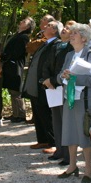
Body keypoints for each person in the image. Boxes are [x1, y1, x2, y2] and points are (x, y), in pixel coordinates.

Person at [56, 22, 91, 183]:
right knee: (69, 130)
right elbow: (60, 75)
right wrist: (63, 76)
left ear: (83, 38)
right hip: (70, 97)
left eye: (74, 33)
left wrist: (73, 77)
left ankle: (88, 168)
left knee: (84, 132)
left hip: (84, 98)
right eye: (71, 33)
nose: (71, 35)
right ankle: (72, 166)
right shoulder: (69, 55)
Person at [23, 18, 60, 150]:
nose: (45, 27)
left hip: (46, 84)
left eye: (49, 26)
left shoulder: (56, 44)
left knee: (46, 113)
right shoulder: (45, 43)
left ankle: (53, 142)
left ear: (55, 31)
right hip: (37, 84)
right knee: (38, 112)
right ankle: (42, 139)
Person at [41, 21, 71, 164]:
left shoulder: (73, 48)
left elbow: (65, 68)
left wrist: (53, 80)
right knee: (56, 120)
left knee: (66, 121)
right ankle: (59, 150)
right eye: (64, 27)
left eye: (68, 28)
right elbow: (46, 63)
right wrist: (46, 79)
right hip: (52, 87)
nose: (64, 29)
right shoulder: (57, 45)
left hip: (62, 85)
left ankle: (67, 154)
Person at [2, 17, 34, 123]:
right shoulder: (17, 35)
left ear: (28, 26)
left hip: (15, 65)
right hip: (9, 65)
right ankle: (15, 113)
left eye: (24, 22)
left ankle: (20, 114)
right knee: (12, 90)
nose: (21, 22)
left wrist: (6, 57)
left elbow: (18, 52)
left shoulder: (24, 37)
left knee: (16, 90)